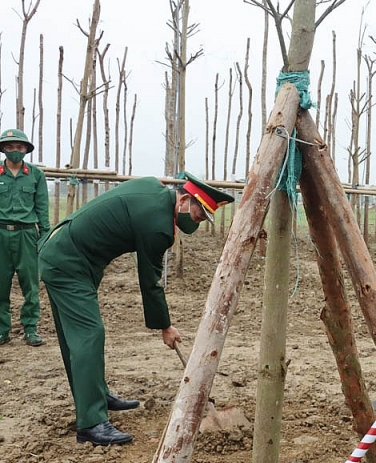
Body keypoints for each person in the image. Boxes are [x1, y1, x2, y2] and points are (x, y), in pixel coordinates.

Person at [38, 173, 234, 446]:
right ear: (185, 200)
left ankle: (95, 395)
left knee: (77, 337)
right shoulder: (158, 227)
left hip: (67, 253)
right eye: (199, 216)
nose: (197, 223)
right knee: (88, 335)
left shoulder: (153, 187)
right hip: (69, 262)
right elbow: (150, 281)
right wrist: (165, 326)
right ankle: (92, 424)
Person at [0, 129, 50, 347]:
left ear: (26, 150)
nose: (15, 151)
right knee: (1, 285)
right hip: (1, 233)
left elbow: (42, 205)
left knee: (30, 284)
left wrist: (45, 234)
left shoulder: (36, 175)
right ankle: (2, 330)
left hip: (27, 233)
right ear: (3, 148)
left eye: (19, 147)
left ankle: (30, 328)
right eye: (10, 147)